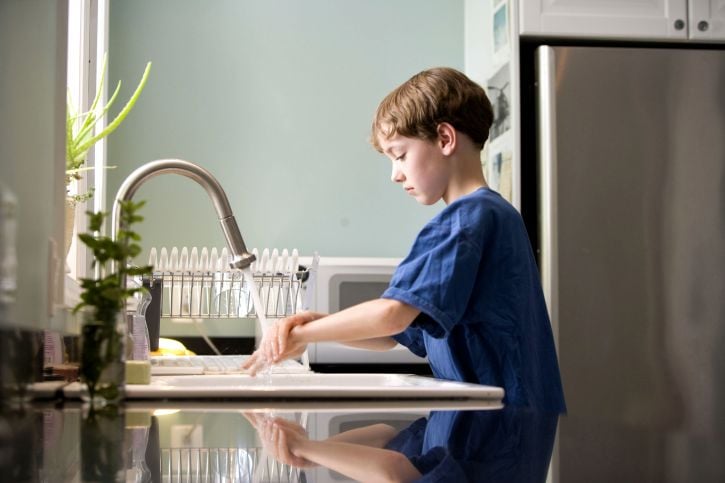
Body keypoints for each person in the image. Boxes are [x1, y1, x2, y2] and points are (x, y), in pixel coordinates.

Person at [243, 67, 566, 411]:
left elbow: (392, 315)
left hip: (494, 429)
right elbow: (395, 334)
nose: (395, 175)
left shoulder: (464, 219)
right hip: (509, 424)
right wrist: (315, 322)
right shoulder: (493, 214)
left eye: (399, 155)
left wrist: (301, 336)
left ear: (444, 139)